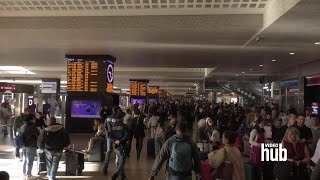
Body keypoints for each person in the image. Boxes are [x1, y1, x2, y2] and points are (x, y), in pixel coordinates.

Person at [104, 112, 128, 180]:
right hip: (121, 145)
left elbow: (109, 135)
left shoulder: (112, 126)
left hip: (115, 145)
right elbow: (126, 136)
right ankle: (116, 174)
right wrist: (120, 141)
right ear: (122, 118)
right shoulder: (124, 126)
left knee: (120, 159)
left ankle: (122, 174)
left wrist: (115, 140)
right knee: (122, 158)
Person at [21, 114, 39, 180]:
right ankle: (29, 175)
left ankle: (24, 173)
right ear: (31, 119)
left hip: (24, 145)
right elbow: (38, 136)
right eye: (34, 119)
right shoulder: (33, 127)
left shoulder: (23, 126)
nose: (35, 120)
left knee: (25, 159)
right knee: (30, 160)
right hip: (31, 145)